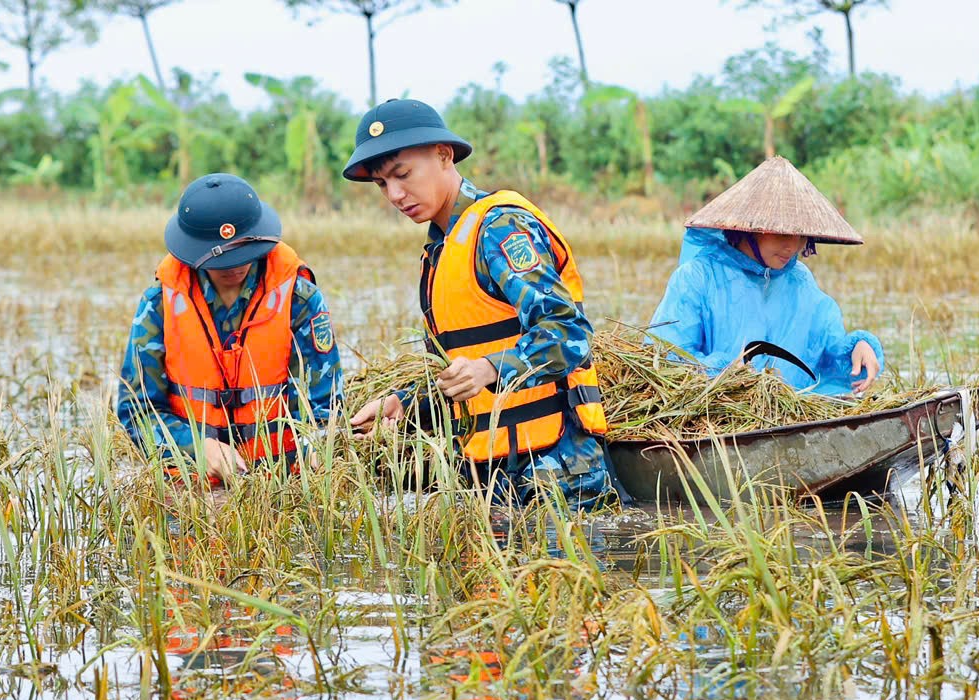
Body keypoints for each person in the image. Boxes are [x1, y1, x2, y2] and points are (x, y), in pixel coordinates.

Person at [341, 99, 616, 511]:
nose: (395, 194)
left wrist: (490, 368)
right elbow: (464, 373)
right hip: (490, 471)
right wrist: (407, 403)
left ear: (443, 155)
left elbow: (568, 332)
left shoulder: (499, 228)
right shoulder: (440, 250)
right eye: (382, 184)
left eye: (402, 175)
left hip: (557, 472)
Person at [117, 173, 342, 484]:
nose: (235, 266)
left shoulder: (299, 299)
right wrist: (197, 447)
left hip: (280, 484)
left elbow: (325, 407)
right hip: (189, 487)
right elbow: (136, 412)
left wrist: (315, 450)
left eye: (244, 254)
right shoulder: (159, 305)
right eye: (222, 259)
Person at [648, 156, 884, 396]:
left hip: (790, 416)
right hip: (719, 412)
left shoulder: (799, 280)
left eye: (801, 235)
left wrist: (858, 348)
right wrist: (723, 373)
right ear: (749, 229)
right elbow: (668, 358)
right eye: (782, 234)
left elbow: (828, 347)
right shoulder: (698, 277)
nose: (792, 247)